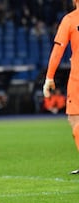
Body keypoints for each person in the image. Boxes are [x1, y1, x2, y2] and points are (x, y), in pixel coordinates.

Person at [42, 0, 79, 174]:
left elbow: (58, 50)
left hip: (78, 78)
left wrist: (49, 77)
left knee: (75, 120)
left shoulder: (70, 20)